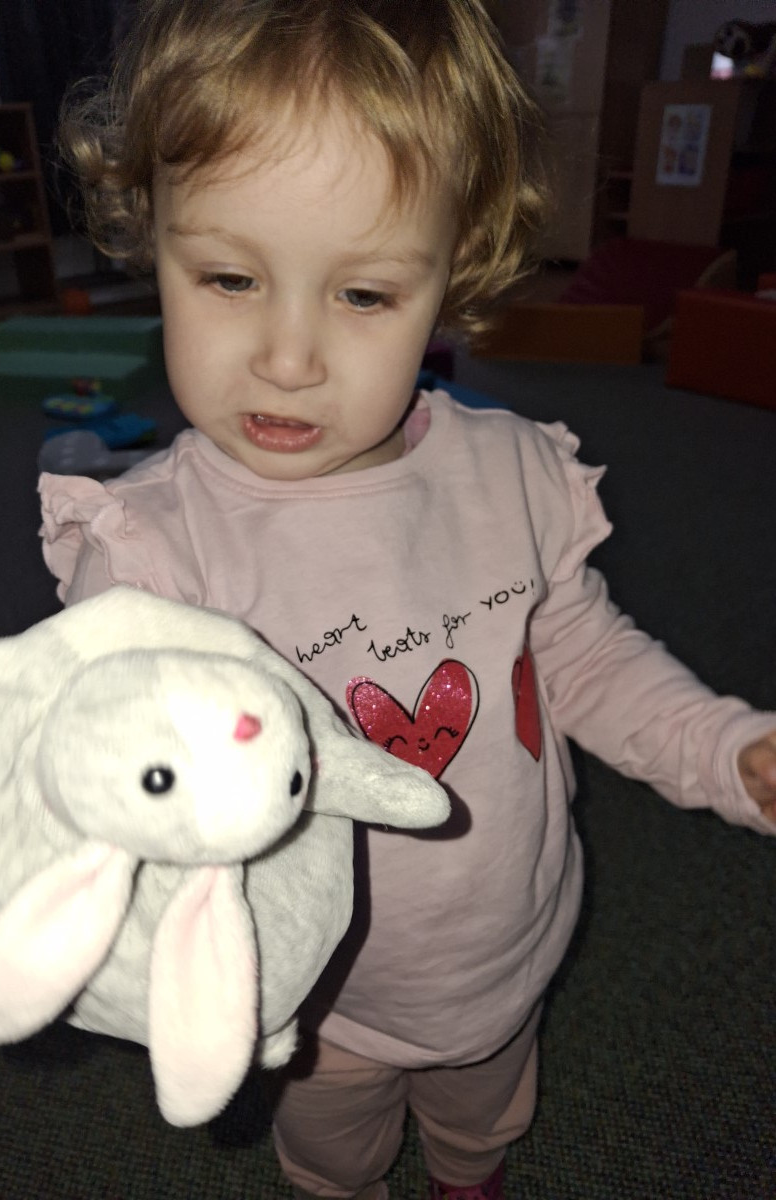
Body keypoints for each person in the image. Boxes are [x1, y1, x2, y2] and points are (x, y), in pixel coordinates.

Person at [40, 3, 776, 1197]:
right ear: (151, 234)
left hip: (505, 950)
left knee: (482, 1127)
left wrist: (724, 747)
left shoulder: (511, 475)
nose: (288, 359)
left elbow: (581, 659)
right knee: (334, 1161)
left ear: (453, 270)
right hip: (317, 998)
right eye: (229, 277)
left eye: (365, 295)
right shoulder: (149, 555)